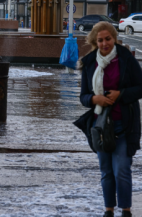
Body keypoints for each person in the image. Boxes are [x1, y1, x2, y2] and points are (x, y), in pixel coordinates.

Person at [77, 21, 142, 217]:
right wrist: (94, 98)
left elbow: (140, 87)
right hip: (100, 126)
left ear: (114, 38)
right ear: (95, 42)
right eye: (100, 40)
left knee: (122, 169)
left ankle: (126, 210)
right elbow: (83, 97)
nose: (105, 43)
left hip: (124, 124)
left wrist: (120, 94)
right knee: (106, 171)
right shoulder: (89, 63)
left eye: (108, 39)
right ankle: (109, 210)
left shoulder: (126, 59)